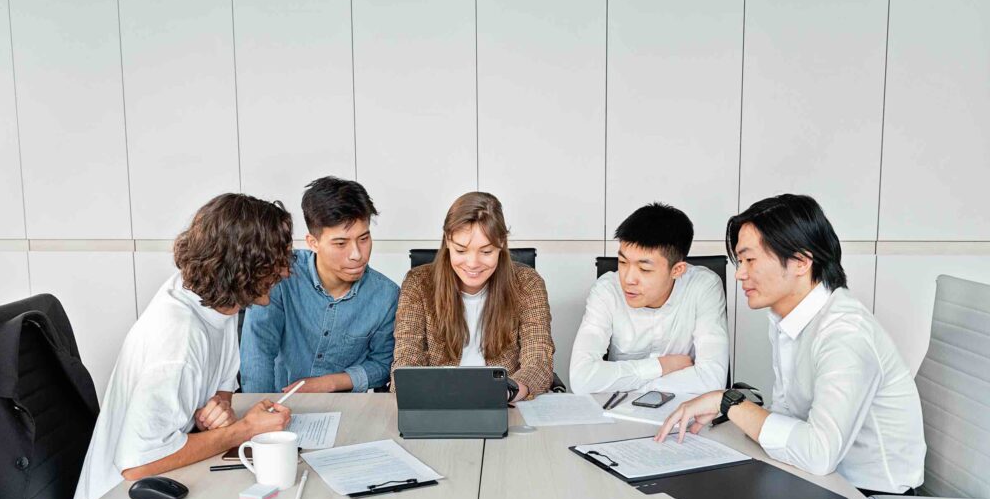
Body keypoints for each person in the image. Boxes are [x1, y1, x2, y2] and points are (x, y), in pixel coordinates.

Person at [655, 194, 926, 499]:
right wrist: (736, 411)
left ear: (800, 261)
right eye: (739, 261)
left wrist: (729, 402)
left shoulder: (845, 334)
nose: (740, 275)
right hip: (819, 486)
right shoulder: (788, 318)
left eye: (750, 260)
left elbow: (819, 453)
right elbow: (787, 416)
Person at [72, 194, 294, 499]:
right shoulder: (179, 336)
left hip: (168, 483)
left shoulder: (215, 297)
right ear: (242, 267)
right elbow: (138, 463)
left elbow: (222, 384)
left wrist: (218, 406)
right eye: (276, 261)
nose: (285, 272)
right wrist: (245, 429)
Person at [240, 177, 399, 393]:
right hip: (279, 404)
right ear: (313, 243)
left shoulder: (386, 295)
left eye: (364, 239)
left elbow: (382, 365)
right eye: (341, 243)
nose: (357, 255)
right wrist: (260, 412)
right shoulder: (279, 277)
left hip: (348, 409)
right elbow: (257, 353)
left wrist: (330, 383)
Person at [391, 191, 554, 400]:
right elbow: (406, 361)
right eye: (460, 250)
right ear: (447, 241)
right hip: (438, 403)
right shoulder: (418, 284)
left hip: (506, 403)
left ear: (502, 243)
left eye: (486, 252)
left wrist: (507, 392)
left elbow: (538, 362)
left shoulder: (528, 284)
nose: (473, 263)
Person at [569, 203, 728, 395]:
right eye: (622, 262)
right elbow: (581, 379)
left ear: (677, 270)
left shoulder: (704, 287)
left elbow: (712, 379)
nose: (628, 279)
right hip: (617, 415)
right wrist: (663, 366)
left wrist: (637, 385)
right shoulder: (607, 291)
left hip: (685, 415)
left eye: (644, 269)